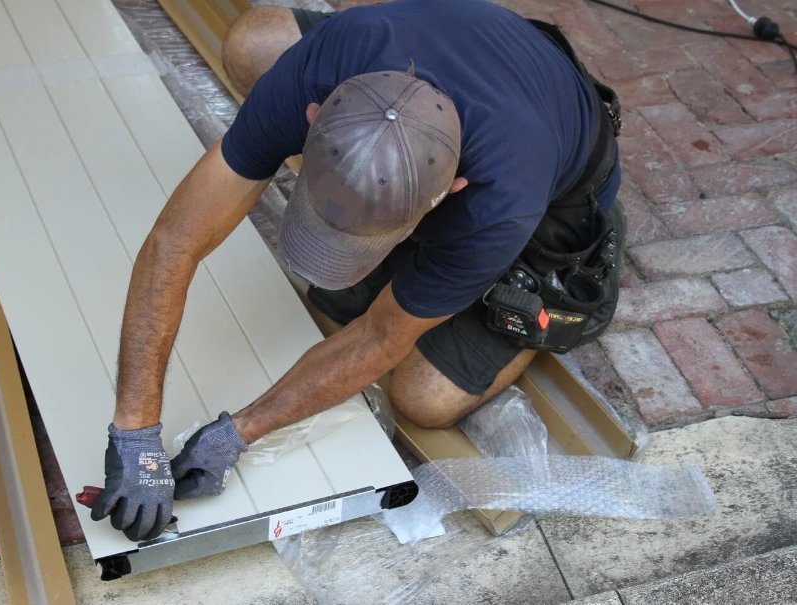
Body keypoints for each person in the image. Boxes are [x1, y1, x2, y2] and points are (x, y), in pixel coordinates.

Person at [92, 0, 625, 541]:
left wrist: (239, 433)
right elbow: (175, 241)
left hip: (558, 194)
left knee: (425, 399)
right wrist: (135, 430)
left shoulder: (498, 204)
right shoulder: (324, 64)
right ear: (314, 116)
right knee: (254, 42)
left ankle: (546, 304)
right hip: (461, 57)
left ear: (450, 193)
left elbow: (379, 335)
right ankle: (379, 213)